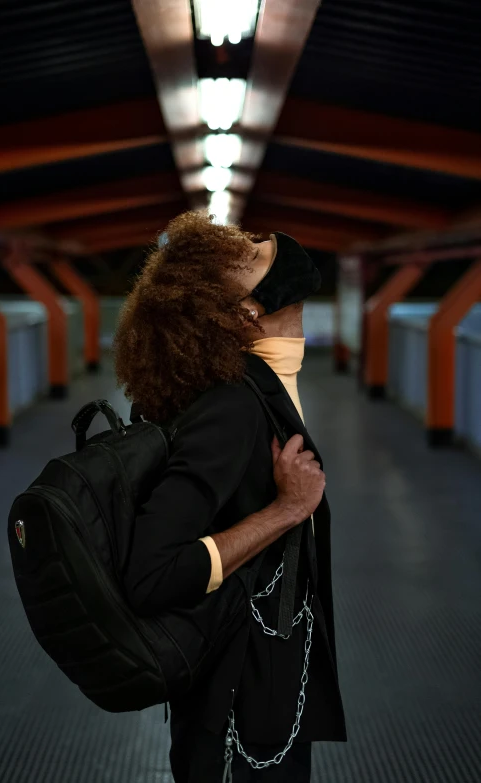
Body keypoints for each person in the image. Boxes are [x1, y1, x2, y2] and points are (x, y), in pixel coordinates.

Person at [113, 212, 347, 782]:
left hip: (264, 682)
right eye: (257, 256)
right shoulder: (231, 407)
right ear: (248, 313)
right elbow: (150, 573)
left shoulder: (265, 381)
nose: (270, 242)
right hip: (236, 702)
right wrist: (288, 510)